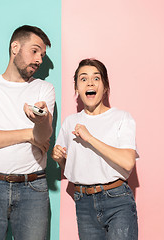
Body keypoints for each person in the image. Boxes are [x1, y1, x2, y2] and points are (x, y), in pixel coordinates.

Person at [0, 25, 55, 240]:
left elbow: (43, 138)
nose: (39, 60)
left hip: (33, 188)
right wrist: (27, 133)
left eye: (42, 55)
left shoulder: (44, 89)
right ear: (15, 47)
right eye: (35, 51)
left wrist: (40, 120)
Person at [52, 58, 138, 239]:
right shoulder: (70, 122)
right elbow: (72, 170)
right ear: (76, 88)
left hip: (117, 200)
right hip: (84, 202)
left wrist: (90, 138)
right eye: (83, 79)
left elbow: (128, 162)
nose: (90, 83)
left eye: (96, 78)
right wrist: (60, 158)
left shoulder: (122, 118)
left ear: (105, 86)